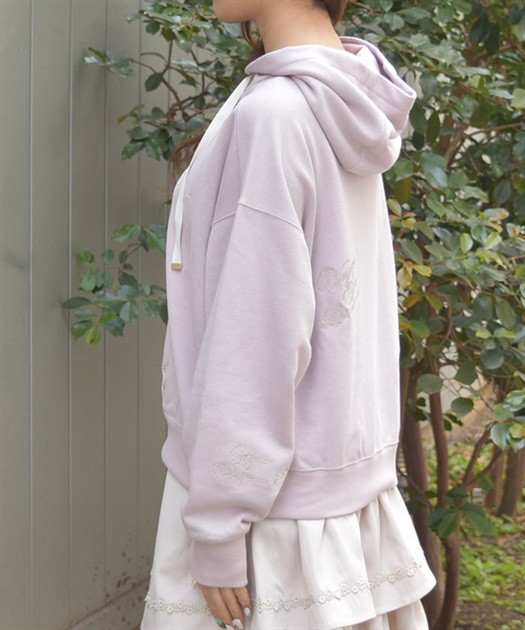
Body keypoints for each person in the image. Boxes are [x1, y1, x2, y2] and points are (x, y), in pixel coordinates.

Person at [141, 1, 436, 629]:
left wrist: (219, 525)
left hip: (270, 526)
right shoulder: (341, 94)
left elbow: (258, 333)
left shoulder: (275, 112)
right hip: (331, 501)